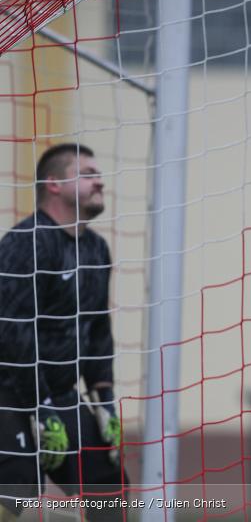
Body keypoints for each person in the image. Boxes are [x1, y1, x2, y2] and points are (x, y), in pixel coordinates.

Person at [0, 144, 127, 521]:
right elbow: (12, 331)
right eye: (87, 174)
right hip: (9, 394)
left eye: (98, 174)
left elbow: (98, 328)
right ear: (54, 184)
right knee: (21, 504)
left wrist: (104, 401)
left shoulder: (96, 248)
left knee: (110, 488)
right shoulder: (27, 242)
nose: (100, 182)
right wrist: (40, 406)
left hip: (59, 395)